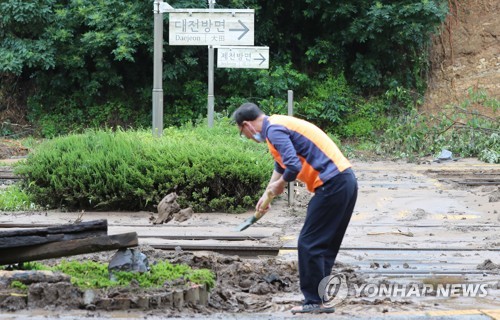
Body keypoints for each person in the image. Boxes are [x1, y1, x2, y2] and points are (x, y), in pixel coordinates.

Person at [232, 102, 358, 314]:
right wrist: (267, 196)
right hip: (345, 181)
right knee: (324, 245)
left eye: (242, 132)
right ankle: (319, 299)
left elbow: (293, 165)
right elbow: (281, 166)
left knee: (308, 242)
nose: (246, 137)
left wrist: (280, 185)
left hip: (332, 184)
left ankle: (313, 301)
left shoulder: (273, 130)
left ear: (247, 125)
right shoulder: (277, 125)